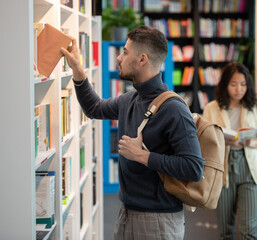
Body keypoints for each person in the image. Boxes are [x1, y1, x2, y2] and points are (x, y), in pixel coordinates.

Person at [61, 26, 205, 240]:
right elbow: (94, 108)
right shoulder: (130, 99)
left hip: (159, 221)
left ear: (142, 59)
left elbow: (194, 168)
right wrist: (78, 71)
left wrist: (143, 156)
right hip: (127, 212)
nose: (119, 58)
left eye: (125, 52)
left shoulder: (174, 108)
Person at [202, 62, 257, 240]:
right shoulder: (211, 108)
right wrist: (220, 140)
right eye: (233, 84)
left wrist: (250, 142)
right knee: (225, 231)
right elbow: (205, 139)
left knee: (248, 230)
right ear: (225, 85)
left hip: (250, 169)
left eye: (243, 84)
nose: (239, 89)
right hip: (223, 168)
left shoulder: (255, 107)